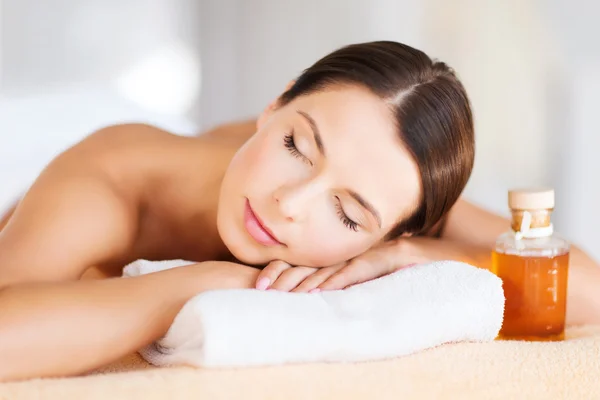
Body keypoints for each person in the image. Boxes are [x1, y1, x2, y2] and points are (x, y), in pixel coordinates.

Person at [0, 41, 597, 382]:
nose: (288, 203)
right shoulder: (117, 176)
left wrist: (412, 254)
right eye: (294, 146)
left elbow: (588, 287)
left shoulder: (392, 192)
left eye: (346, 214)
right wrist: (200, 284)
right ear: (275, 103)